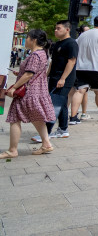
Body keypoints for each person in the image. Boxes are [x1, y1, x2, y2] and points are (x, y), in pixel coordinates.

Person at [2, 29, 56, 158]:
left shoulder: (35, 55)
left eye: (27, 38)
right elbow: (32, 72)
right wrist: (19, 73)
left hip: (28, 93)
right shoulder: (43, 54)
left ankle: (12, 150)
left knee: (14, 118)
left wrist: (14, 87)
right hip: (38, 91)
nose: (26, 40)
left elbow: (29, 74)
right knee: (37, 118)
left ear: (34, 40)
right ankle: (46, 144)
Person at [36, 20, 76, 141]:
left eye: (58, 28)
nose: (55, 30)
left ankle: (46, 133)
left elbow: (72, 61)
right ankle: (63, 129)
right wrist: (46, 75)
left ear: (67, 29)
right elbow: (53, 62)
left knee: (54, 105)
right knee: (62, 104)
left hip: (64, 79)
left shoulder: (71, 43)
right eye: (55, 28)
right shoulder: (57, 44)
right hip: (54, 78)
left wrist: (63, 78)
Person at [69, 16, 98, 124]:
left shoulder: (83, 35)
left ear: (94, 23)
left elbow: (75, 47)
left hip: (81, 68)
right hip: (97, 68)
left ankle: (73, 117)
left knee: (79, 91)